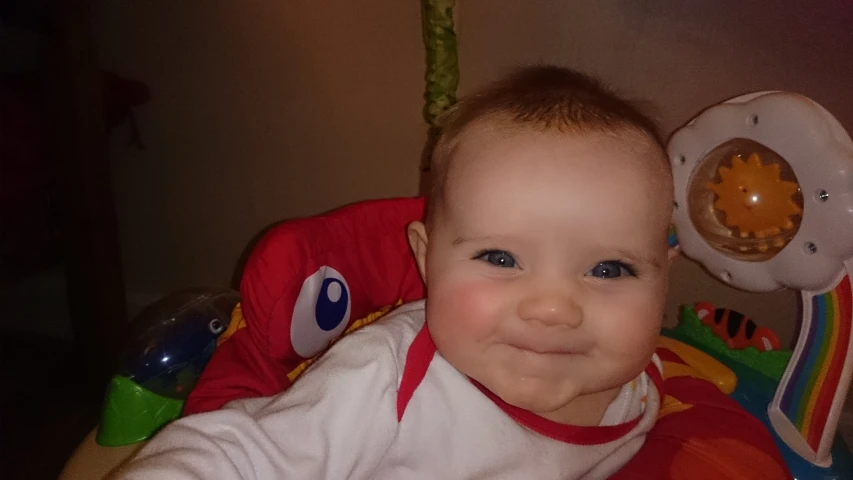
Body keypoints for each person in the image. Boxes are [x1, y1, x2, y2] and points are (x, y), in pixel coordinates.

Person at [113, 65, 677, 479]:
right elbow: (239, 453)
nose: (554, 308)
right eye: (501, 259)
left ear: (663, 277)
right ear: (426, 258)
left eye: (609, 268)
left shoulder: (637, 380)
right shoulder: (389, 378)